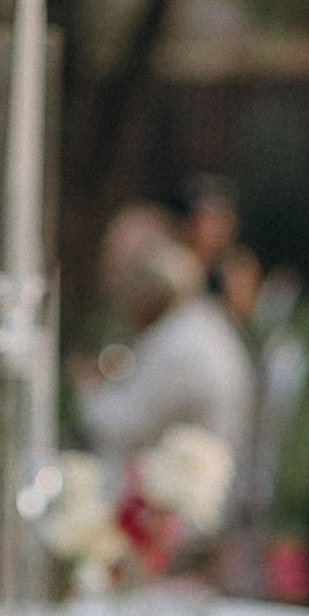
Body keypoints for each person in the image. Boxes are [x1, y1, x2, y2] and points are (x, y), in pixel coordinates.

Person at [74, 207, 255, 473]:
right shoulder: (189, 325)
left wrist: (88, 386)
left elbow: (119, 429)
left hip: (179, 495)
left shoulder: (183, 344)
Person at [165, 171, 263, 330]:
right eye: (209, 219)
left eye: (222, 218)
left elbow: (245, 322)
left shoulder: (237, 268)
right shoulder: (172, 266)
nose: (217, 228)